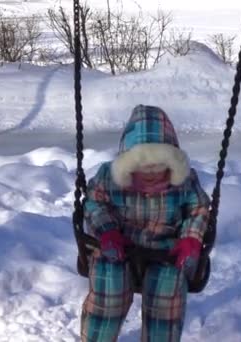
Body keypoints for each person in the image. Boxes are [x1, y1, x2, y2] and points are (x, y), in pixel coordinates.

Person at [80, 104, 210, 342]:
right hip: (118, 247)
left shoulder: (184, 182)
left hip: (166, 251)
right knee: (109, 290)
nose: (151, 173)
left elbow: (198, 208)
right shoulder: (109, 178)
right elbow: (93, 203)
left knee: (167, 295)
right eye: (143, 166)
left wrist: (191, 238)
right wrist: (107, 231)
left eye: (159, 166)